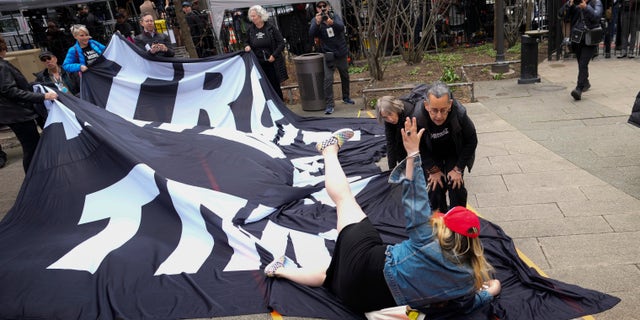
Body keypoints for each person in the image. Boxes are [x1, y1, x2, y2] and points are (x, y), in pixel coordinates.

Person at [264, 118, 501, 317]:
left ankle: (328, 149)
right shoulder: (467, 280)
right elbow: (466, 306)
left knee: (345, 200)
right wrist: (490, 291)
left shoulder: (427, 238)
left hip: (366, 262)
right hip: (358, 299)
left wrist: (413, 155)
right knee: (330, 274)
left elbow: (415, 199)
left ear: (447, 228)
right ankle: (279, 270)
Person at [411, 82, 477, 214]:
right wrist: (432, 169)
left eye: (443, 110)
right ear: (426, 105)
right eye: (434, 110)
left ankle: (458, 219)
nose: (439, 116)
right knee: (435, 187)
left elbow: (472, 140)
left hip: (454, 151)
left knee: (455, 185)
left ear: (450, 104)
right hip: (431, 153)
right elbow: (417, 146)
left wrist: (458, 169)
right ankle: (438, 219)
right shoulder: (418, 117)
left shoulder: (460, 113)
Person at [0, 36, 58, 173]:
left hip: (12, 113)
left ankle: (37, 177)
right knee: (32, 147)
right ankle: (34, 180)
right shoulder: (2, 66)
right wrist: (42, 96)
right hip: (17, 114)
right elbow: (10, 91)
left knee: (32, 146)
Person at [309, 0, 354, 115]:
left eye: (324, 6)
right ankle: (329, 105)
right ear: (317, 9)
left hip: (341, 52)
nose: (323, 8)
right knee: (328, 80)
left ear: (328, 7)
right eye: (320, 6)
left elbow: (341, 27)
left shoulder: (334, 16)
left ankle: (346, 97)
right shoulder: (316, 20)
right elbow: (311, 34)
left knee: (345, 75)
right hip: (329, 55)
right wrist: (318, 23)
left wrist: (331, 22)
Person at [559, 0, 603, 100]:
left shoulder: (596, 2)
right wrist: (568, 5)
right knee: (581, 63)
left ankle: (578, 89)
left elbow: (596, 17)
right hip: (577, 39)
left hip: (590, 40)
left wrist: (586, 7)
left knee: (583, 63)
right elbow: (562, 16)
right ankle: (585, 82)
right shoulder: (576, 5)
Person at [244, 5, 285, 101]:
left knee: (274, 86)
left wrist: (274, 55)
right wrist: (246, 46)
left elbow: (281, 43)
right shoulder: (250, 30)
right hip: (258, 62)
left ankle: (280, 105)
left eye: (254, 16)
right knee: (261, 86)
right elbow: (246, 41)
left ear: (260, 15)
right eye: (251, 16)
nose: (252, 18)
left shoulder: (271, 28)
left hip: (271, 62)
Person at [375, 95, 417, 169]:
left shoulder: (410, 114)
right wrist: (392, 169)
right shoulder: (388, 119)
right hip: (403, 146)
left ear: (396, 109)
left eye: (390, 114)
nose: (390, 119)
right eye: (385, 117)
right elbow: (391, 143)